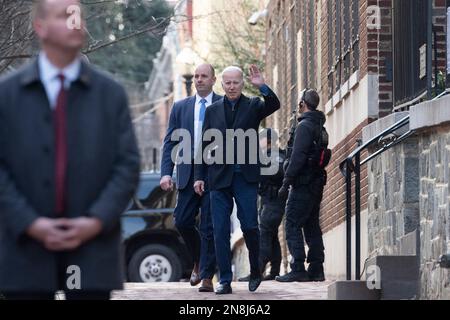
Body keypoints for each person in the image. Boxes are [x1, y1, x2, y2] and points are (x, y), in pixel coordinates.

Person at [0, 0, 140, 300]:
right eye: (65, 16)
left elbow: (127, 166)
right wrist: (30, 223)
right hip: (25, 250)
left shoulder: (110, 95)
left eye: (79, 14)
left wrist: (95, 220)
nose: (75, 21)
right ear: (40, 27)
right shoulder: (7, 94)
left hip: (91, 251)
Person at [194, 65, 280, 294]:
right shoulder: (212, 111)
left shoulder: (252, 106)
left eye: (236, 82)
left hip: (246, 178)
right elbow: (204, 145)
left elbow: (274, 104)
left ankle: (255, 269)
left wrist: (261, 85)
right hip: (218, 179)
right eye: (228, 83)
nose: (232, 87)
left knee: (251, 226)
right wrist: (199, 177)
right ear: (221, 85)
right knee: (220, 229)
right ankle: (224, 279)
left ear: (242, 84)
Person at [160, 64, 221, 292]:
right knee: (182, 221)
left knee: (209, 226)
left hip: (213, 174)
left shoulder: (223, 104)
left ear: (213, 79)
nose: (198, 79)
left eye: (204, 76)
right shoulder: (180, 107)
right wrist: (166, 171)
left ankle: (206, 276)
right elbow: (170, 142)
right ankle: (198, 259)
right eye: (196, 76)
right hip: (186, 173)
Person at [276, 89, 327, 283]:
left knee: (292, 223)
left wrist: (285, 183)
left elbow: (297, 158)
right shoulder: (318, 125)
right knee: (312, 225)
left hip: (303, 184)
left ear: (302, 104)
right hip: (315, 183)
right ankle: (316, 268)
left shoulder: (305, 126)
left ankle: (297, 267)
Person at [239, 129, 286, 282]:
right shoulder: (266, 156)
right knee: (271, 236)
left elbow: (278, 172)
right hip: (267, 200)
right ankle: (274, 271)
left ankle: (256, 272)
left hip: (274, 201)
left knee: (263, 236)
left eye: (261, 139)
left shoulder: (276, 156)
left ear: (268, 140)